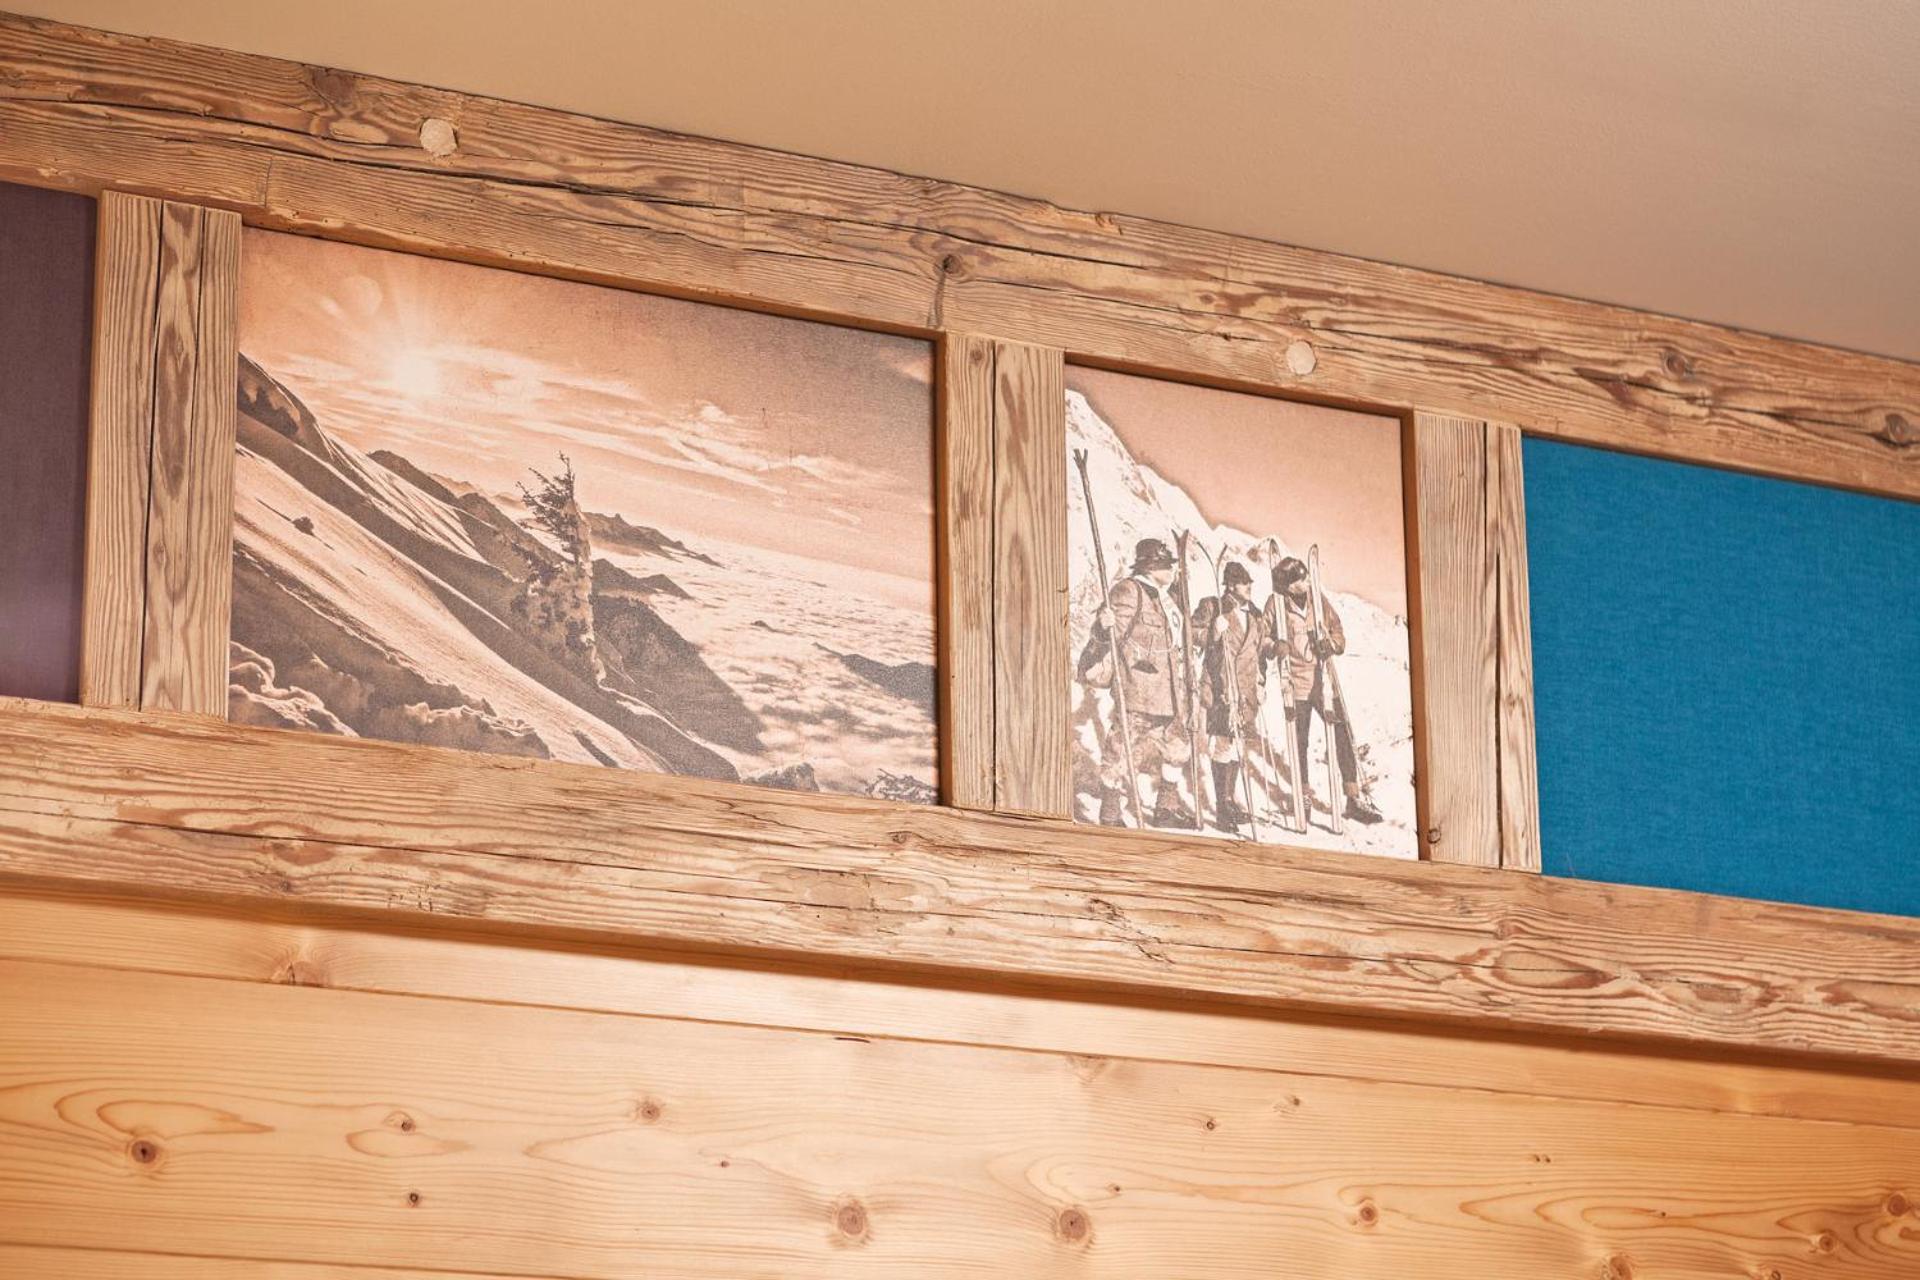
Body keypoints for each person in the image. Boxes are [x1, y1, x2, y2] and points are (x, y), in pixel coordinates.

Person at [1268, 555, 1384, 825]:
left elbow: (1337, 630)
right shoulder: (1276, 605)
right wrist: (1274, 646)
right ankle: (1303, 794)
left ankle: (1353, 798)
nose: (1307, 581)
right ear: (1288, 585)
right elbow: (1263, 635)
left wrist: (1331, 644)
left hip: (1323, 682)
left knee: (1342, 733)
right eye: (1301, 579)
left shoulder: (1317, 600)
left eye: (1306, 576)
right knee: (1300, 741)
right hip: (1296, 683)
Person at [1093, 538, 1197, 829]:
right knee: (1120, 751)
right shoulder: (1129, 590)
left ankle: (1166, 808)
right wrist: (1102, 626)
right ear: (1151, 567)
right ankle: (1110, 814)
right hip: (1139, 689)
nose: (1172, 570)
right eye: (1166, 565)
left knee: (1178, 749)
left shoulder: (1166, 597)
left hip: (1170, 695)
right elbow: (1109, 635)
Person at [1191, 560, 1274, 830]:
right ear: (1229, 585)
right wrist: (1213, 631)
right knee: (1224, 743)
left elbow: (1259, 649)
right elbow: (1191, 633)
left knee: (1238, 743)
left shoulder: (1255, 613)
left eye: (1249, 582)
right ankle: (1222, 809)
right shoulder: (1213, 606)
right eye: (1242, 582)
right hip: (1221, 686)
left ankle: (1230, 801)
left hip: (1246, 691)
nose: (1248, 586)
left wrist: (1265, 670)